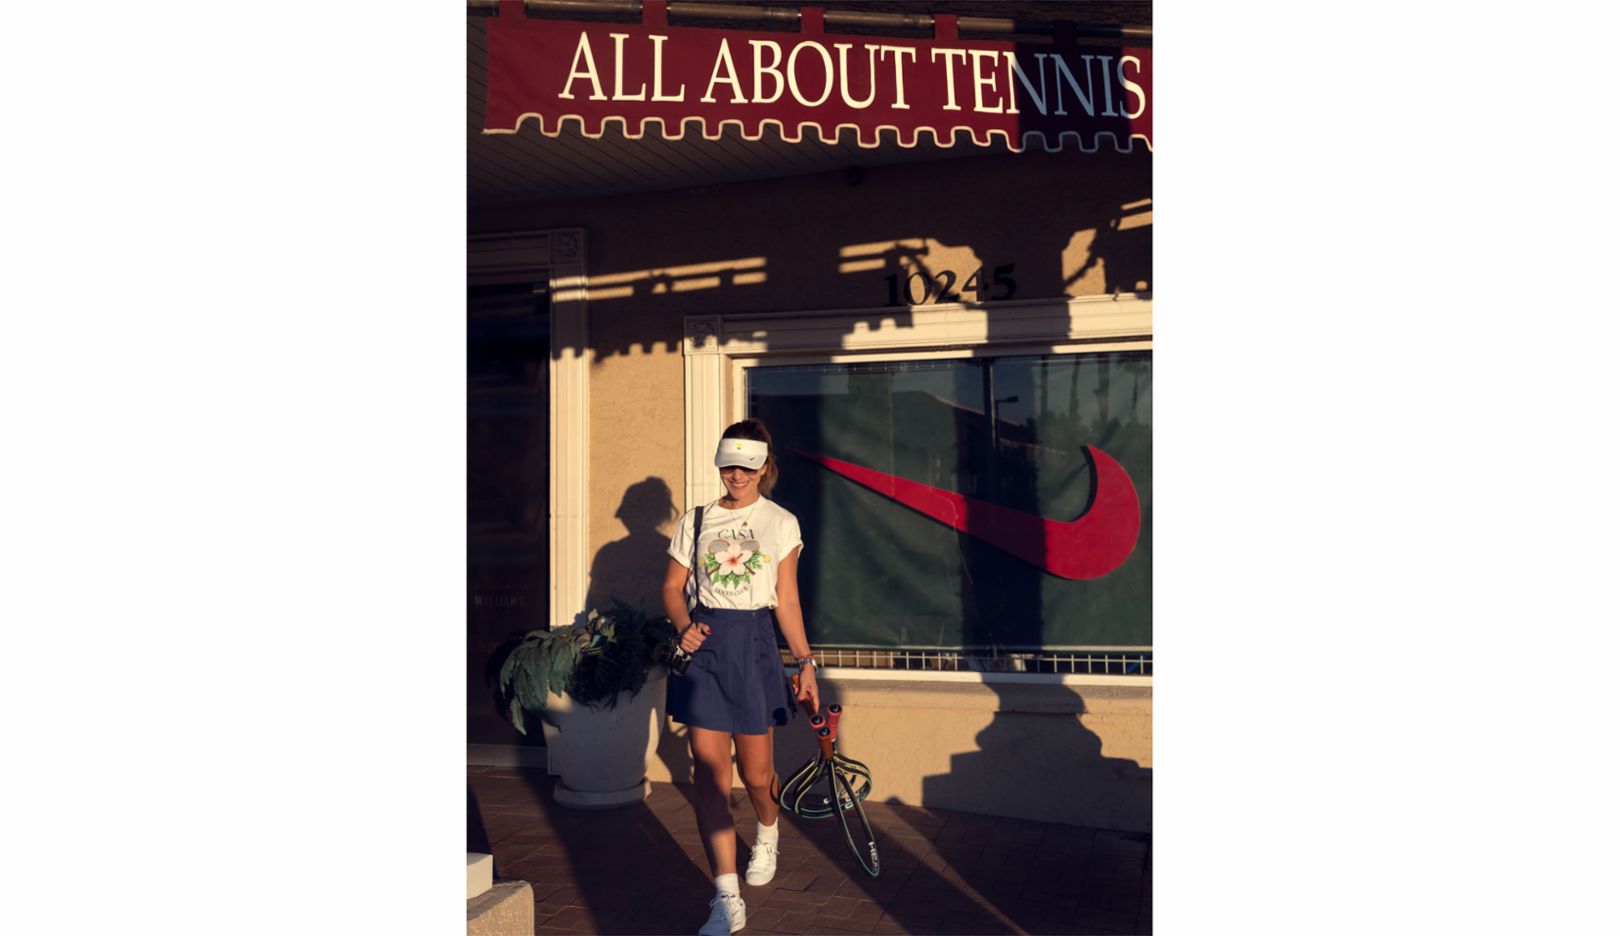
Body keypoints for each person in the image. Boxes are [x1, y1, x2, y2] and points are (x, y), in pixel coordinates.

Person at [663, 418, 820, 936]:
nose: (737, 475)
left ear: (764, 465)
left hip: (754, 648)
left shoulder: (781, 522)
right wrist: (684, 627)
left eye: (748, 465)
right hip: (706, 648)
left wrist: (805, 663)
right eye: (730, 464)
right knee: (710, 779)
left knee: (756, 775)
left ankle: (768, 830)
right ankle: (726, 897)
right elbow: (672, 587)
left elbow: (788, 599)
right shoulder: (697, 519)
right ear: (719, 463)